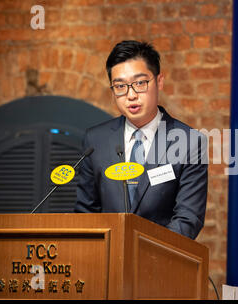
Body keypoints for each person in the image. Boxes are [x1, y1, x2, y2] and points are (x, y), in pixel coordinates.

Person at [74, 40, 208, 240]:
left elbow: (188, 219)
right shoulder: (95, 141)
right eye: (120, 86)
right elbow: (85, 214)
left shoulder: (188, 142)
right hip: (106, 262)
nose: (130, 95)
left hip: (162, 262)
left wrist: (141, 252)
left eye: (139, 83)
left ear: (159, 81)